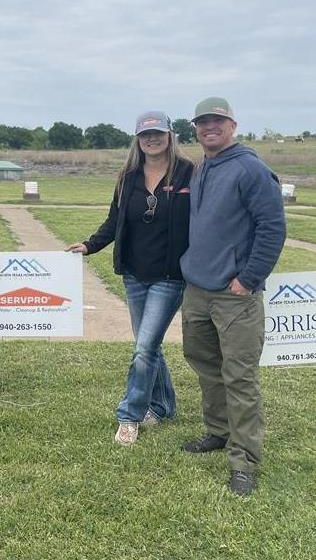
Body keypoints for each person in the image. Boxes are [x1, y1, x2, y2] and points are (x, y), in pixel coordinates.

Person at [66, 111, 193, 446]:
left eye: (158, 133)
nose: (152, 139)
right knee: (148, 345)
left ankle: (130, 416)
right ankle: (163, 405)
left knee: (143, 347)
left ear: (170, 135)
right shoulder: (128, 177)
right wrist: (90, 244)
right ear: (138, 139)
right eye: (145, 134)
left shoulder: (190, 173)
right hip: (135, 275)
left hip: (171, 276)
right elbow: (113, 222)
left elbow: (205, 219)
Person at [180, 97, 285, 496]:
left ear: (232, 125)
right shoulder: (204, 165)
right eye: (203, 122)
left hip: (234, 295)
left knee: (239, 376)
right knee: (207, 366)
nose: (209, 127)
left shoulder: (250, 168)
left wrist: (249, 278)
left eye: (217, 121)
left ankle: (244, 460)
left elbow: (272, 227)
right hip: (198, 291)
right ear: (195, 129)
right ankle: (218, 432)